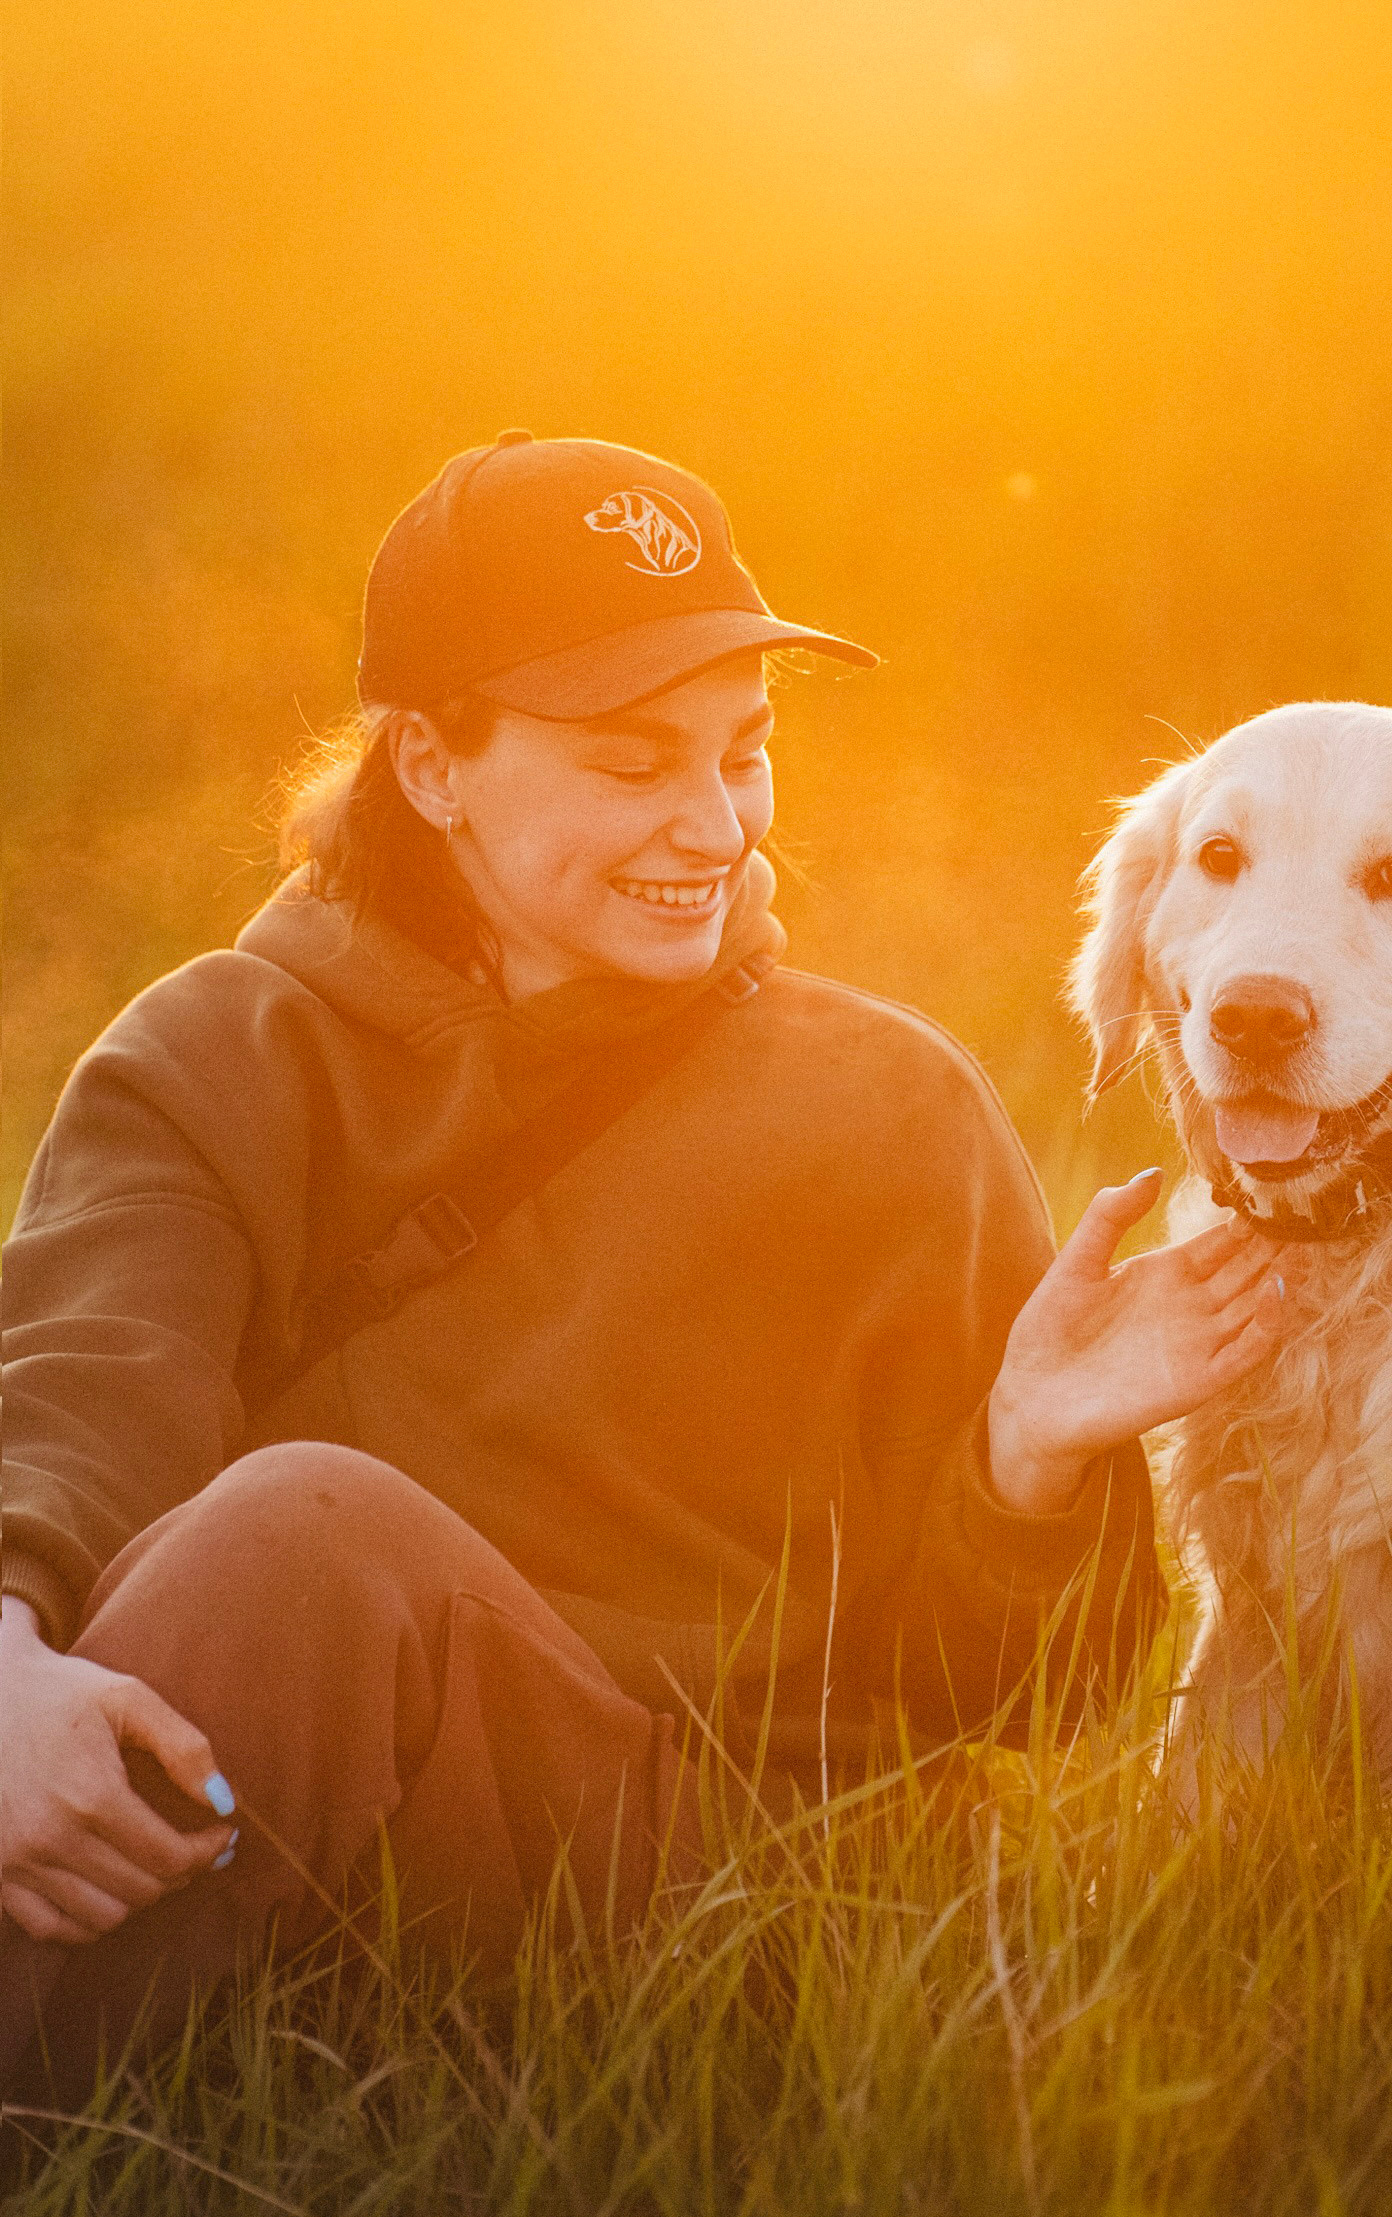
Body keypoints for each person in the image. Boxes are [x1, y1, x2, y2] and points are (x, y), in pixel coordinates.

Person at [0, 432, 1285, 2092]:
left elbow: (1010, 1701)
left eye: (743, 754)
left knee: (304, 1534)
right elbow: (85, 1389)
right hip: (297, 1798)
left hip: (714, 1882)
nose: (714, 824)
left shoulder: (886, 1110)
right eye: (630, 765)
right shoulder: (217, 1057)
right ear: (429, 766)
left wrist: (1028, 1467)